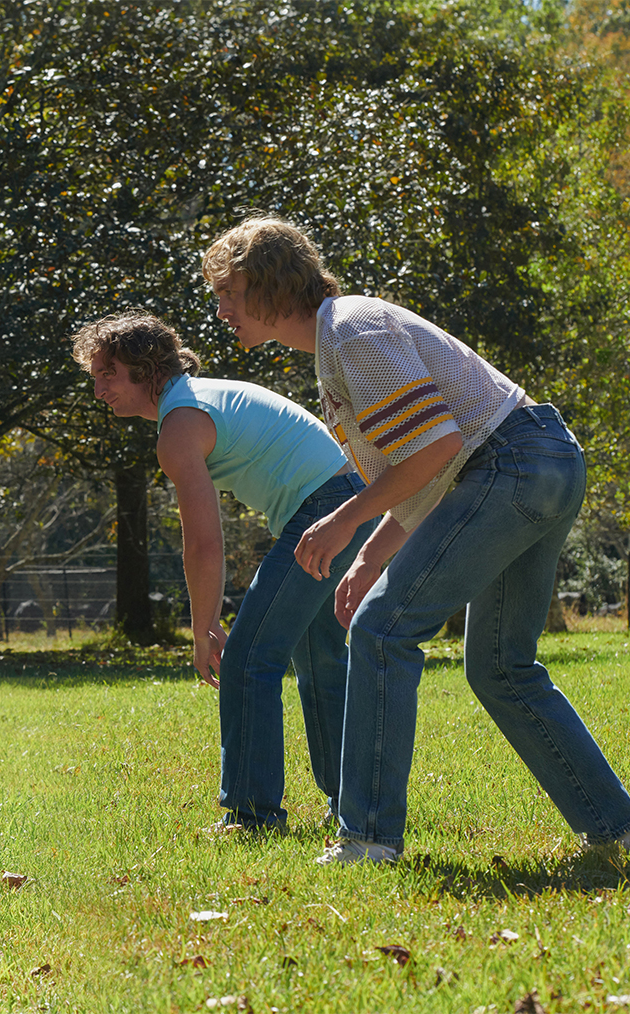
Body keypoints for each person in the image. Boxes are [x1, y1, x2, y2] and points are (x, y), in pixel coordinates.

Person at [202, 214, 630, 864]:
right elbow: (425, 468)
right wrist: (371, 555)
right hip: (538, 464)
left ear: (267, 284)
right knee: (502, 668)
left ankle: (368, 836)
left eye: (227, 290)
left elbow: (438, 449)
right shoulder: (338, 338)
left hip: (509, 465)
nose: (220, 308)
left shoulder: (350, 329)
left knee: (381, 631)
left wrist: (346, 521)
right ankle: (616, 827)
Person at [72, 311, 377, 832]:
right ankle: (352, 805)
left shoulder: (181, 423)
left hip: (328, 509)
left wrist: (204, 625)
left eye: (110, 374)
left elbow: (205, 544)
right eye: (95, 376)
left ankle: (252, 814)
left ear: (146, 370)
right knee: (320, 658)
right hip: (351, 501)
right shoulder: (197, 399)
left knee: (248, 657)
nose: (99, 389)